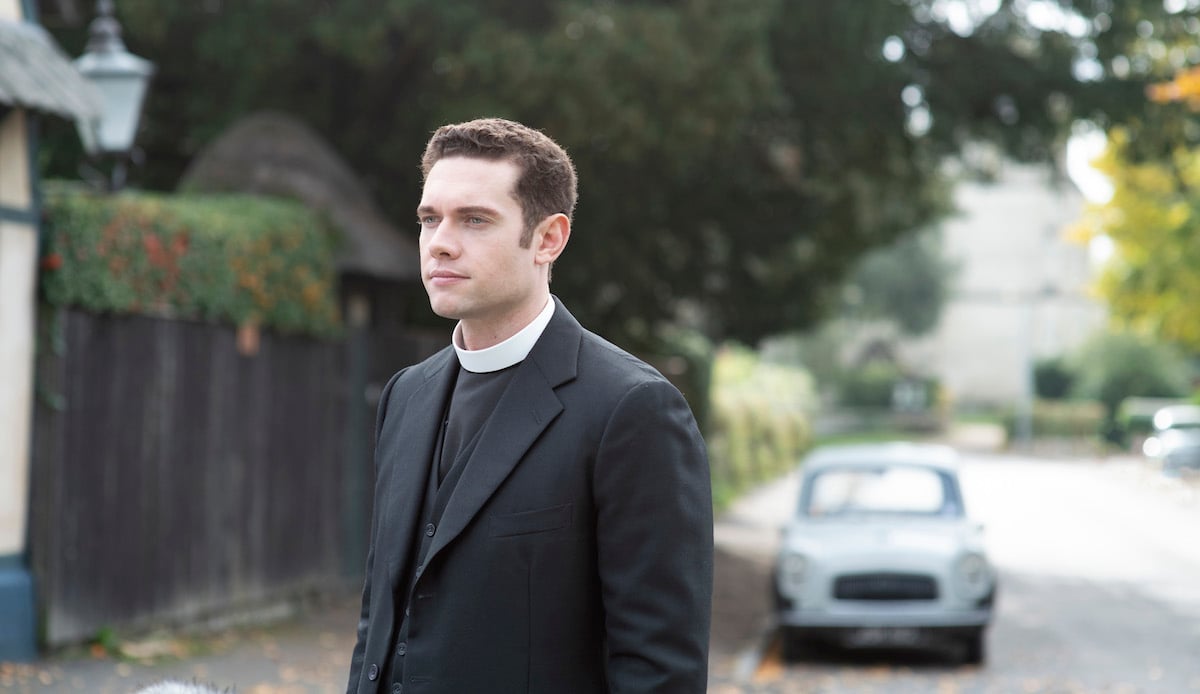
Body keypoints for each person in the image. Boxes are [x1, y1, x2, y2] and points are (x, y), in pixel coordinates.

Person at [344, 118, 713, 694]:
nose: (440, 240)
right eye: (429, 218)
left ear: (548, 239)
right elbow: (379, 624)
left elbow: (659, 670)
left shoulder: (632, 410)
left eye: (474, 220)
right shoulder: (405, 395)